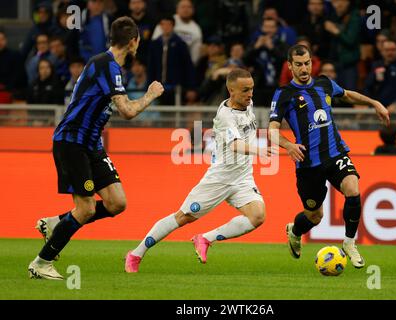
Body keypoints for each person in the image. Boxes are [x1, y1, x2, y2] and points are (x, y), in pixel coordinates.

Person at [28, 16, 164, 280]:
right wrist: (150, 94)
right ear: (133, 41)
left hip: (91, 143)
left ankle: (56, 223)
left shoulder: (107, 65)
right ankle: (41, 262)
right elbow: (127, 111)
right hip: (72, 141)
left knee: (116, 203)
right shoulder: (108, 66)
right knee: (87, 208)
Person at [125, 68, 270, 272]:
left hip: (243, 178)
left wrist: (225, 69)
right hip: (220, 178)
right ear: (231, 91)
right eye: (245, 90)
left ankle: (205, 239)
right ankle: (135, 254)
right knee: (183, 217)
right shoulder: (225, 115)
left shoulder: (247, 104)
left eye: (252, 89)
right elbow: (235, 145)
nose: (250, 94)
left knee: (257, 216)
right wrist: (259, 150)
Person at [268, 44, 390, 268]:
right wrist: (288, 145)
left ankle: (349, 243)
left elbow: (347, 94)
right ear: (290, 66)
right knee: (314, 216)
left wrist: (374, 103)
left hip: (335, 153)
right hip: (308, 164)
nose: (304, 69)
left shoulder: (324, 83)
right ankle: (294, 230)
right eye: (298, 65)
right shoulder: (284, 94)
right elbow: (272, 130)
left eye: (307, 63)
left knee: (353, 188)